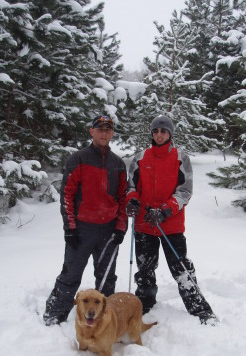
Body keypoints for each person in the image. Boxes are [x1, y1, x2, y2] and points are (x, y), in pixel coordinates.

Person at [125, 115, 218, 325]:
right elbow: (131, 187)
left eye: (163, 131)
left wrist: (165, 210)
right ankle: (144, 303)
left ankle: (199, 309)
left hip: (170, 224)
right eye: (156, 131)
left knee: (181, 267)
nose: (159, 135)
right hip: (144, 224)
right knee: (145, 269)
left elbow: (185, 191)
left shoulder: (180, 158)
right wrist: (132, 201)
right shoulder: (140, 158)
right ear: (152, 133)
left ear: (170, 134)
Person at [43, 115, 128, 326]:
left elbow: (123, 199)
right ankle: (55, 313)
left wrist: (120, 228)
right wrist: (69, 228)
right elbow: (67, 196)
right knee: (71, 274)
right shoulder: (78, 159)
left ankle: (106, 318)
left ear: (112, 133)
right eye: (100, 129)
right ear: (92, 131)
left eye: (108, 130)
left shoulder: (117, 164)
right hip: (81, 230)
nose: (104, 133)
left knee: (107, 278)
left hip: (108, 230)